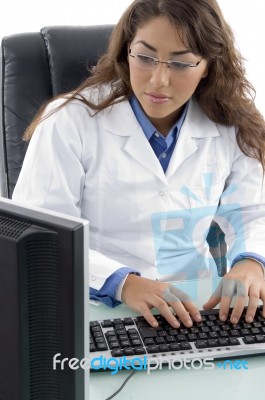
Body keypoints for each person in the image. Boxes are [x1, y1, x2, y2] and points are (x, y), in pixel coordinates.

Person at [12, 0, 265, 330]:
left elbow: (253, 212)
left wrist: (250, 262)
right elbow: (40, 236)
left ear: (208, 65)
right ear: (126, 51)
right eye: (145, 58)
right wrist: (123, 283)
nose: (158, 80)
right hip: (91, 307)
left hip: (196, 309)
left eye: (181, 64)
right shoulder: (68, 122)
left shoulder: (233, 124)